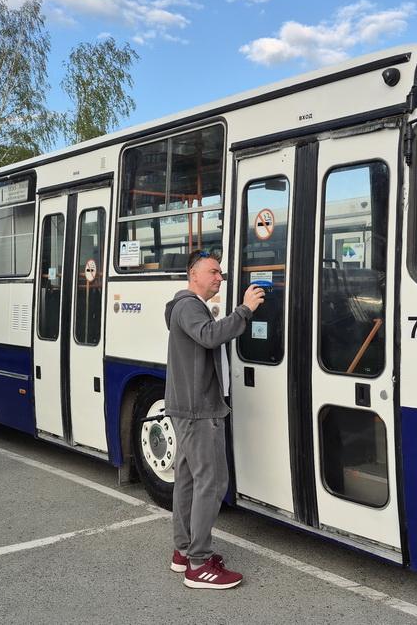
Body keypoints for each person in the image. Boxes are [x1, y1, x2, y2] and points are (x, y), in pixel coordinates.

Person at [163, 249, 265, 590]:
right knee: (212, 481)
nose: (219, 277)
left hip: (189, 408)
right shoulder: (189, 306)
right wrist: (245, 310)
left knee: (190, 481)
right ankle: (199, 562)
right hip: (198, 410)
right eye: (213, 271)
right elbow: (209, 335)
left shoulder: (185, 307)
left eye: (220, 272)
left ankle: (183, 553)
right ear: (194, 275)